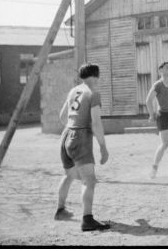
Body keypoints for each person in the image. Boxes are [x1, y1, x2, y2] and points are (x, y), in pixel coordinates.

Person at [55, 63, 110, 231]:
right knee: (89, 180)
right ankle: (87, 219)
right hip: (80, 137)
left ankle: (60, 210)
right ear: (95, 76)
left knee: (69, 175)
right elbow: (96, 122)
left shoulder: (74, 91)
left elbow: (62, 116)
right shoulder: (93, 93)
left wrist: (72, 128)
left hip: (66, 135)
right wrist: (103, 146)